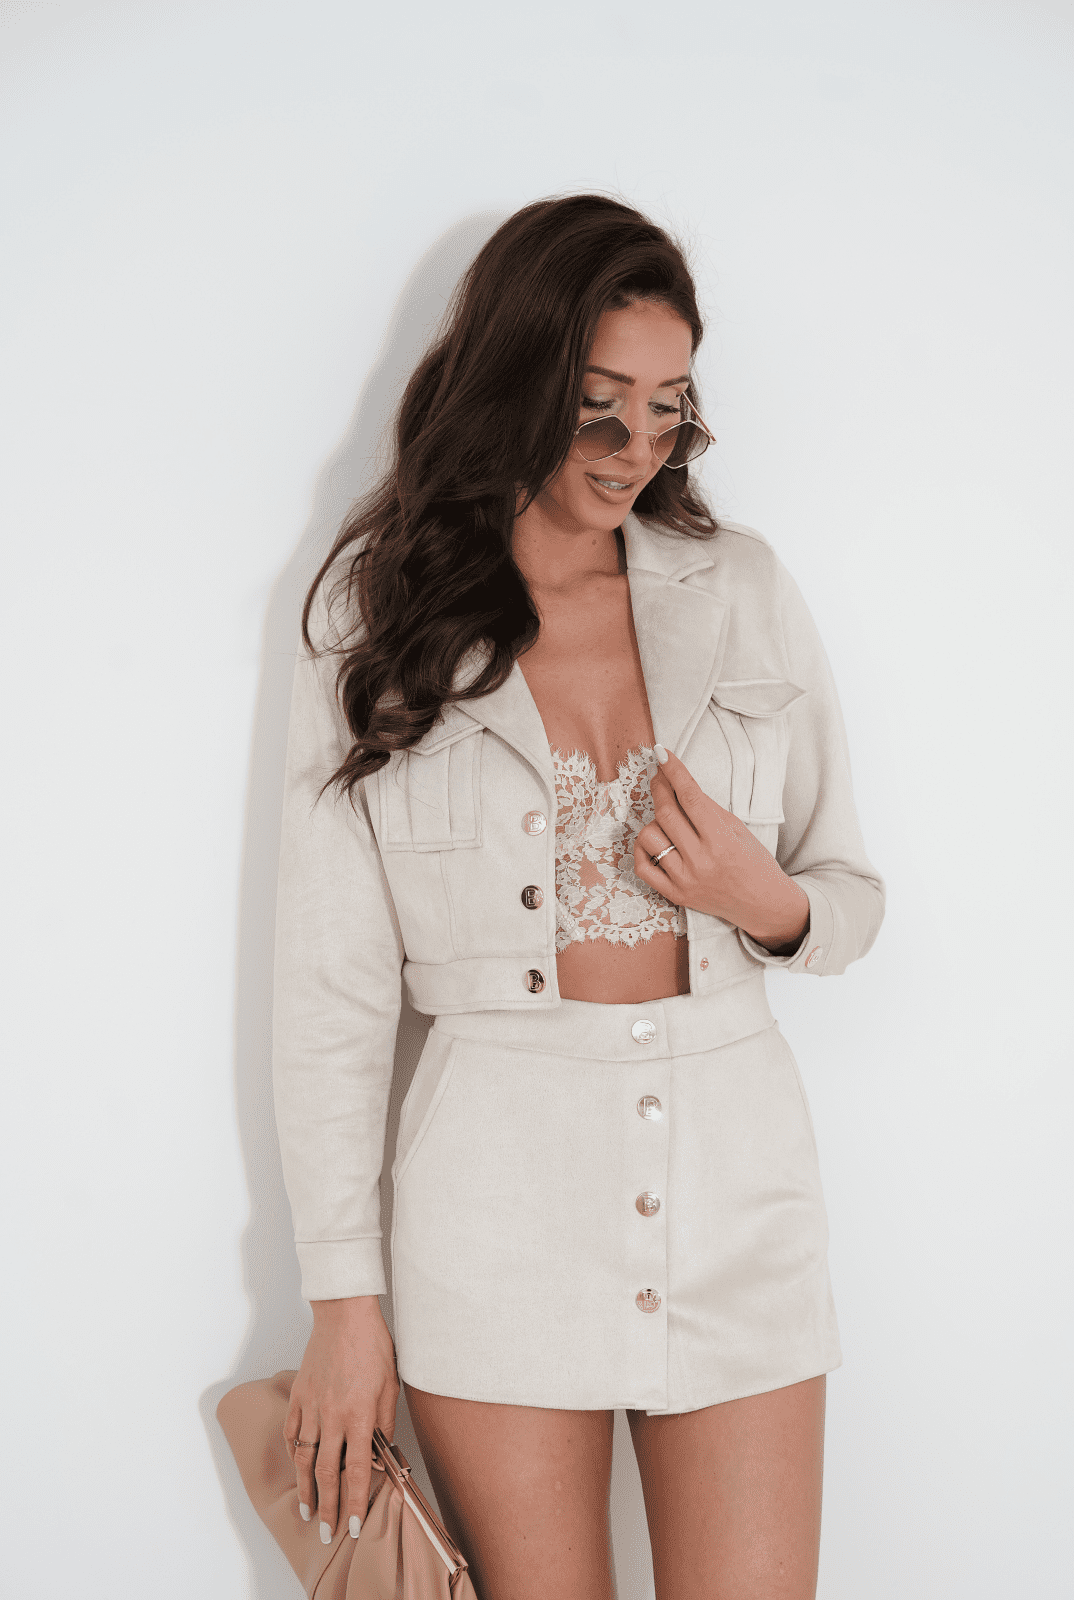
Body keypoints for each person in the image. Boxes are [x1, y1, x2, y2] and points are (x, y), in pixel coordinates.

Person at [271, 194, 884, 1600]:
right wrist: (343, 1304)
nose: (634, 449)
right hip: (494, 1209)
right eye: (598, 406)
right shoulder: (373, 616)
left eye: (668, 410)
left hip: (739, 1190)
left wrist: (766, 903)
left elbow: (848, 895)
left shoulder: (743, 589)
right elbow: (331, 993)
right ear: (516, 378)